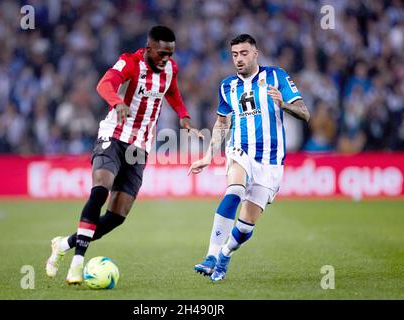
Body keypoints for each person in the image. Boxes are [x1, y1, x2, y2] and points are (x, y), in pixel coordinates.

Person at [46, 25, 199, 285]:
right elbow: (104, 84)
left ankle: (63, 244)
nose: (166, 59)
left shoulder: (170, 68)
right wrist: (117, 102)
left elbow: (171, 91)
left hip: (140, 147)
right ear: (149, 48)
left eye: (170, 54)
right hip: (114, 137)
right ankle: (77, 263)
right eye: (161, 53)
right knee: (100, 191)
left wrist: (183, 115)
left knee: (117, 217)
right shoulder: (130, 62)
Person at [189, 34, 310, 282]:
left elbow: (304, 113)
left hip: (271, 161)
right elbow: (222, 123)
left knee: (244, 228)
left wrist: (283, 104)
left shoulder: (277, 76)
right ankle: (211, 256)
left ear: (255, 53)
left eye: (244, 53)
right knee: (234, 190)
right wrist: (208, 156)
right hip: (239, 150)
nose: (239, 59)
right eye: (235, 55)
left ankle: (225, 253)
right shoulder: (227, 86)